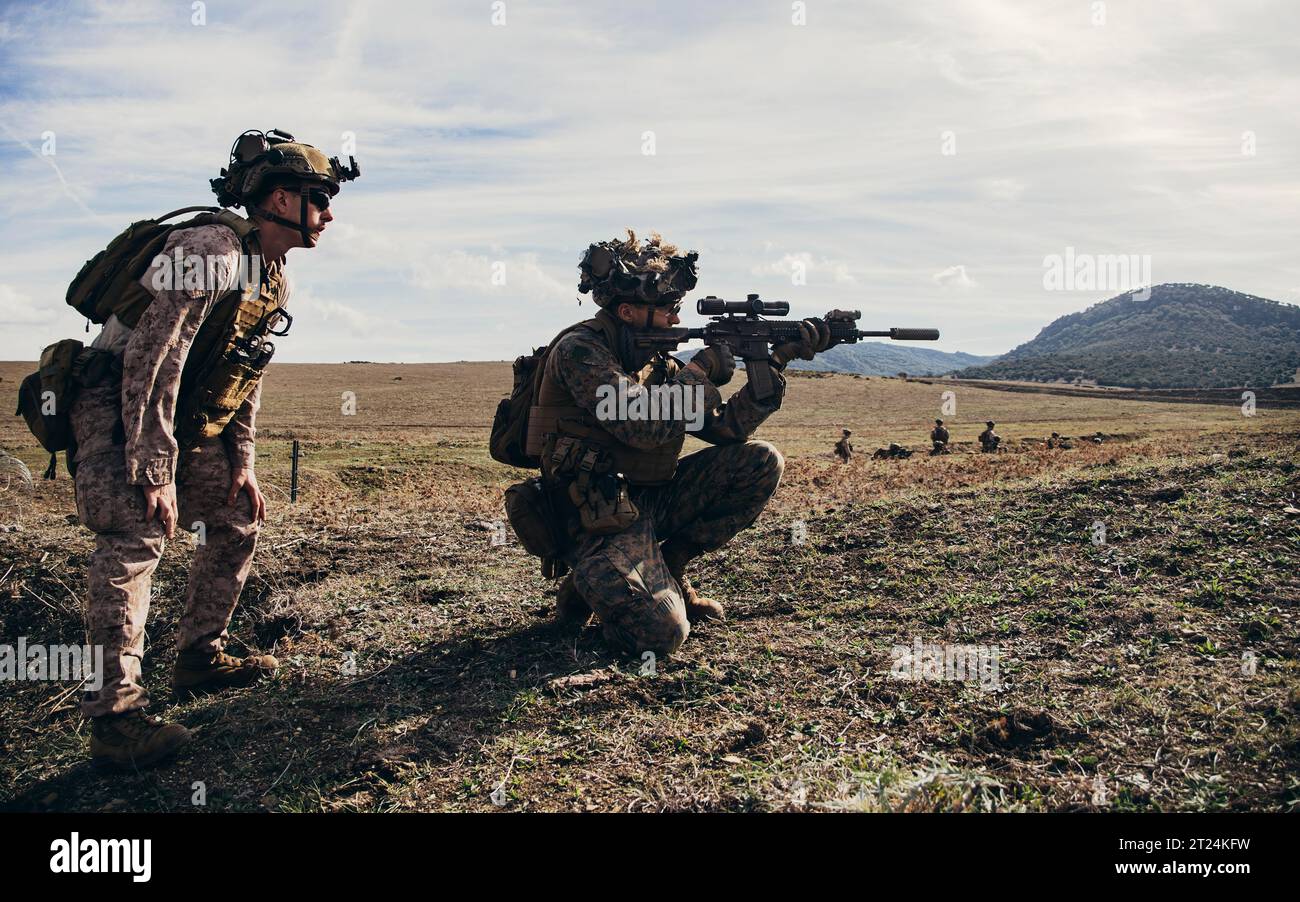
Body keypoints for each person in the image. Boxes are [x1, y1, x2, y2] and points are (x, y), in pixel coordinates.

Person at [68, 129, 358, 768]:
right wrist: (151, 465)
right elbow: (153, 352)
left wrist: (243, 462)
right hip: (119, 405)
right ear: (281, 198)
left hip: (185, 415)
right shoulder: (209, 248)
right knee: (135, 538)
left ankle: (200, 658)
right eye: (320, 198)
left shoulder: (271, 272)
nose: (330, 213)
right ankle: (115, 720)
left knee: (234, 519)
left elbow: (245, 370)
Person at [526, 231, 833, 657]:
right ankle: (590, 578)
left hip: (648, 500)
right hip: (592, 514)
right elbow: (640, 425)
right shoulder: (581, 351)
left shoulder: (658, 363)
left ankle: (670, 566)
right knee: (661, 634)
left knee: (759, 461)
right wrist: (701, 370)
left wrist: (774, 361)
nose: (675, 320)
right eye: (668, 309)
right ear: (629, 311)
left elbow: (727, 431)